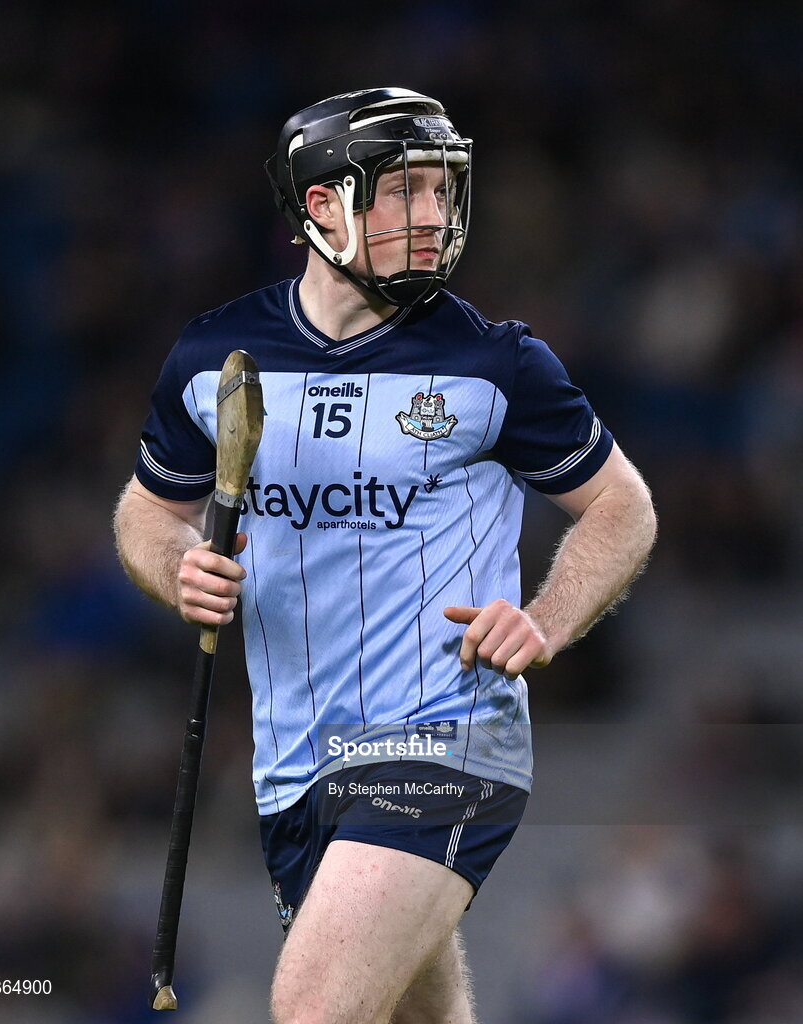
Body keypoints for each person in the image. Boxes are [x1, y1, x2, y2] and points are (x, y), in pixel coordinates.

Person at [113, 87, 657, 1024]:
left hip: (442, 739)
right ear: (323, 206)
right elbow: (148, 510)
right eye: (404, 192)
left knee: (317, 1010)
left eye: (443, 192)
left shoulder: (497, 365)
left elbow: (622, 505)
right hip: (293, 764)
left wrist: (545, 619)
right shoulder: (215, 356)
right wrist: (175, 568)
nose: (435, 217)